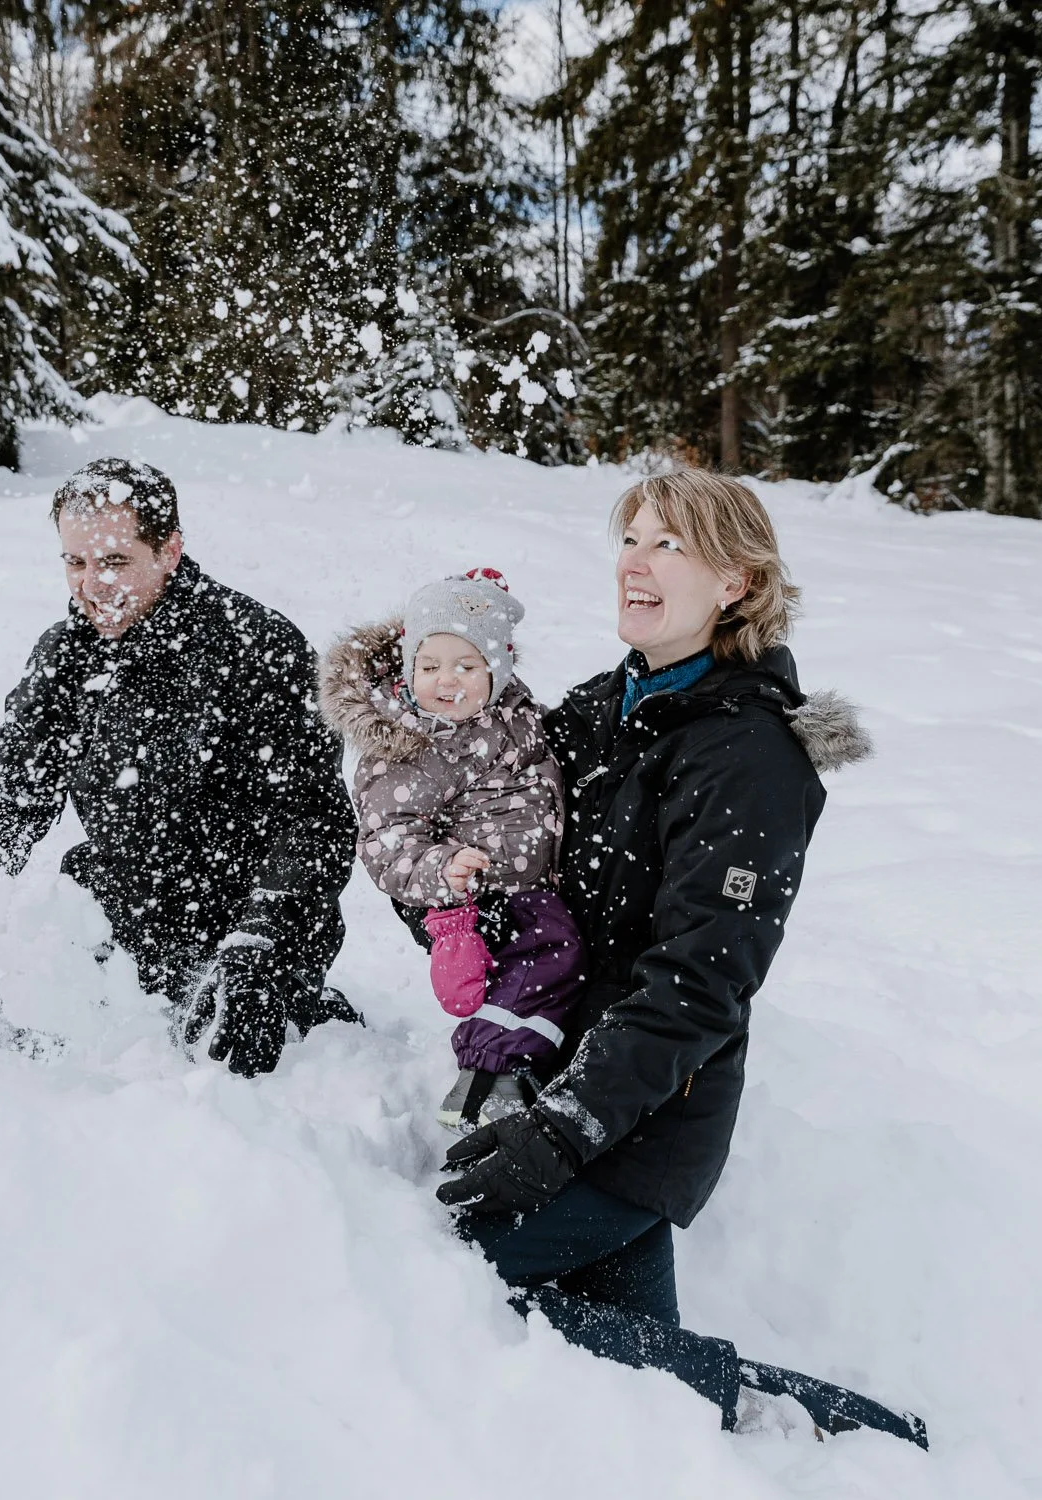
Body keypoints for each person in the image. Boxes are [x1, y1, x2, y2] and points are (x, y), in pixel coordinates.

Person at [433, 469, 914, 1441]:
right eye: (631, 538)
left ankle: (829, 1427)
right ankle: (815, 1438)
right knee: (640, 1400)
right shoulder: (604, 706)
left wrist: (564, 1132)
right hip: (559, 1085)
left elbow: (700, 985)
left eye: (669, 544)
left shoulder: (750, 759)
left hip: (638, 1122)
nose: (635, 563)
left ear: (734, 581)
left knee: (447, 1284)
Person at [0, 459, 356, 1076]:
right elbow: (3, 802)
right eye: (75, 563)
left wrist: (260, 946)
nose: (92, 586)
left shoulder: (258, 646)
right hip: (115, 920)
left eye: (114, 562)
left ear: (169, 550)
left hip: (246, 932)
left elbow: (315, 824)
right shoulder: (66, 655)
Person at [319, 568, 584, 1129]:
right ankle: (490, 1071)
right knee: (547, 958)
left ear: (499, 670)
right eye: (429, 666)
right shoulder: (410, 744)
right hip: (480, 891)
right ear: (408, 666)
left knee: (555, 961)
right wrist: (445, 868)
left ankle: (510, 1062)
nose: (447, 682)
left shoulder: (513, 712)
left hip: (530, 876)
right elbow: (388, 839)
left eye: (467, 666)